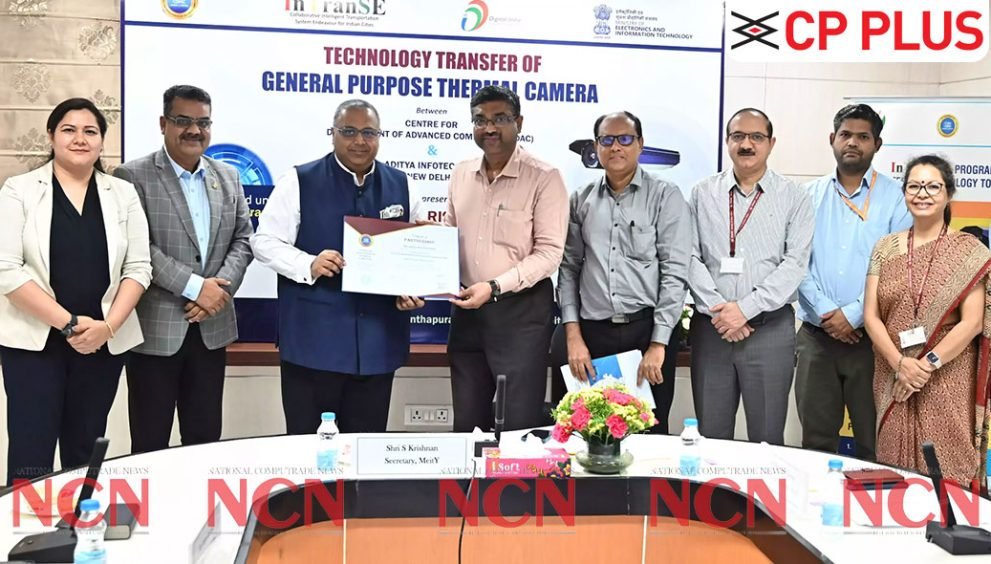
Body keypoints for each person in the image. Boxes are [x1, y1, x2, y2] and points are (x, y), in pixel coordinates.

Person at [251, 99, 426, 434]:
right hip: (313, 346)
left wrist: (413, 290)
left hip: (377, 348)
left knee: (364, 451)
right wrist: (308, 263)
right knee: (308, 451)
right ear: (332, 133)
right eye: (349, 131)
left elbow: (416, 252)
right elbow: (264, 242)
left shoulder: (402, 184)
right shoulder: (299, 180)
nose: (359, 140)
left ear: (380, 136)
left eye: (368, 132)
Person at [0, 98, 151, 485]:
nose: (80, 139)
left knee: (85, 450)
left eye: (90, 131)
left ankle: (80, 522)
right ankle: (25, 525)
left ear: (102, 141)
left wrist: (107, 327)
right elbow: (6, 270)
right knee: (31, 452)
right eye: (69, 130)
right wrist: (68, 324)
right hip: (34, 345)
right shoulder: (19, 190)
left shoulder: (122, 193)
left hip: (100, 345)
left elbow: (139, 268)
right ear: (51, 136)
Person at [113, 85, 254, 453]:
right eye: (183, 121)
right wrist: (195, 287)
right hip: (155, 333)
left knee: (205, 442)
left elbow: (243, 239)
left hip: (212, 329)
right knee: (149, 445)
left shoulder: (228, 176)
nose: (194, 130)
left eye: (203, 122)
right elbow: (138, 246)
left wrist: (218, 291)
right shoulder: (132, 176)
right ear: (163, 123)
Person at [553, 111, 690, 433]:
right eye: (607, 140)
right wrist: (573, 336)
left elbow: (675, 272)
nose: (616, 147)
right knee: (588, 430)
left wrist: (659, 344)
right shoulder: (581, 199)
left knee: (648, 432)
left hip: (646, 332)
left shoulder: (665, 195)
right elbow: (569, 269)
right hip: (591, 335)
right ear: (596, 146)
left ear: (640, 144)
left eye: (625, 139)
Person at [686, 108, 814, 445]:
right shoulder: (702, 193)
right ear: (727, 141)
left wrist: (745, 309)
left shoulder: (794, 196)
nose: (747, 144)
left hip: (769, 330)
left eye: (756, 137)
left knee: (767, 438)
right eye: (738, 136)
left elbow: (795, 263)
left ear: (771, 143)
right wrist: (720, 311)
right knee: (711, 437)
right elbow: (688, 256)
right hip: (712, 330)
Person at [445, 85, 568, 432]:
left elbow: (549, 253)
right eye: (480, 120)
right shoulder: (461, 173)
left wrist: (495, 286)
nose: (489, 128)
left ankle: (515, 472)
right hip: (467, 312)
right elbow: (450, 237)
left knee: (518, 423)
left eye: (500, 119)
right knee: (467, 421)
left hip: (520, 313)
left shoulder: (544, 177)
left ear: (519, 123)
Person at [864, 155, 991, 486]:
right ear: (904, 193)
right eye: (914, 186)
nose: (922, 194)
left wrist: (925, 366)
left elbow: (972, 322)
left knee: (948, 464)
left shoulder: (969, 252)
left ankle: (951, 515)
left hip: (947, 375)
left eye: (933, 186)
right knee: (893, 468)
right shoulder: (885, 248)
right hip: (892, 372)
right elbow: (871, 316)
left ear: (948, 193)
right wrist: (900, 365)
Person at [795, 104, 912, 461]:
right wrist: (829, 313)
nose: (853, 143)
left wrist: (853, 315)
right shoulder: (806, 196)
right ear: (832, 138)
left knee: (875, 439)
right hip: (817, 338)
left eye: (863, 137)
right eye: (846, 135)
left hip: (873, 343)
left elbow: (897, 267)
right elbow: (796, 262)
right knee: (816, 443)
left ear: (877, 144)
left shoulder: (897, 198)